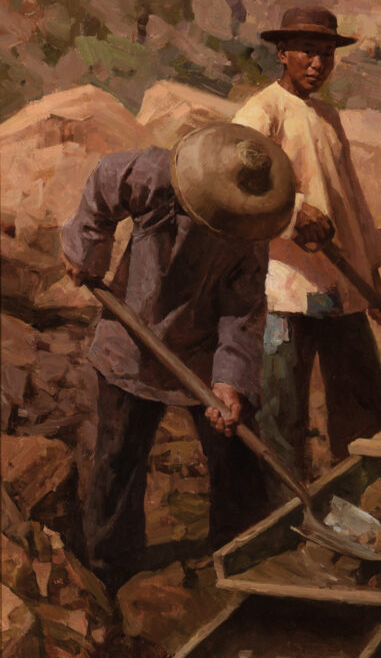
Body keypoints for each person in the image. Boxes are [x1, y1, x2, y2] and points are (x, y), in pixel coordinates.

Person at [60, 124, 296, 592]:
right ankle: (110, 571)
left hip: (204, 353)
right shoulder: (156, 173)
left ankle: (243, 552)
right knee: (119, 456)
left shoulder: (251, 226)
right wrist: (87, 251)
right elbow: (103, 183)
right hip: (132, 335)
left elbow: (243, 308)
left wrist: (230, 382)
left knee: (236, 452)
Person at [232, 5, 381, 485]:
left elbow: (354, 209)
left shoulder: (326, 115)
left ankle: (367, 489)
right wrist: (293, 211)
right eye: (307, 52)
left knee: (362, 397)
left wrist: (374, 282)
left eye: (326, 54)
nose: (317, 64)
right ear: (282, 53)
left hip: (341, 289)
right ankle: (285, 510)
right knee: (283, 410)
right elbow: (237, 188)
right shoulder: (261, 112)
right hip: (287, 293)